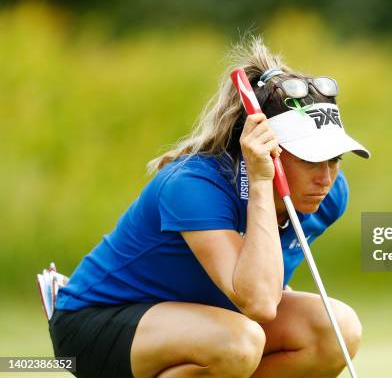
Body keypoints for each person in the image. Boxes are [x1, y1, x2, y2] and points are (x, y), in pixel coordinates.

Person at [49, 37, 370, 378]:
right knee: (239, 343)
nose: (326, 178)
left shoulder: (328, 197)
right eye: (311, 159)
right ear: (268, 150)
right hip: (100, 321)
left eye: (333, 159)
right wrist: (262, 183)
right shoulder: (193, 185)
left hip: (208, 321)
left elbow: (263, 288)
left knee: (337, 329)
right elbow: (260, 304)